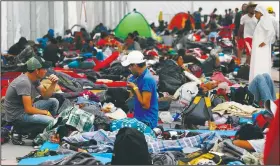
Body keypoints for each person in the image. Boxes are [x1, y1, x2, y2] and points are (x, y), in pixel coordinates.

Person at [3, 56, 59, 125]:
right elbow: (28, 110)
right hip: (17, 116)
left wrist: (53, 84)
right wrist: (46, 112)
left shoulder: (35, 79)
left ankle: (46, 126)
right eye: (44, 68)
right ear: (36, 71)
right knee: (51, 121)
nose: (46, 71)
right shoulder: (24, 82)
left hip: (25, 109)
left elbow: (45, 96)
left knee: (54, 102)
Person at [121, 51, 158, 129]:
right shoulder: (137, 77)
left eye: (130, 66)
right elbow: (132, 96)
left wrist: (135, 88)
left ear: (135, 65)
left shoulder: (147, 79)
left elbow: (145, 106)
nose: (129, 69)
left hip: (147, 121)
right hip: (139, 118)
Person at [249, 5, 275, 83]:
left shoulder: (264, 20)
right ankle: (258, 81)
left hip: (261, 49)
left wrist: (265, 42)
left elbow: (271, 31)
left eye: (256, 13)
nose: (255, 15)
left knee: (260, 65)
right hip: (259, 48)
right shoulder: (262, 20)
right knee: (258, 64)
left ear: (260, 13)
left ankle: (260, 82)